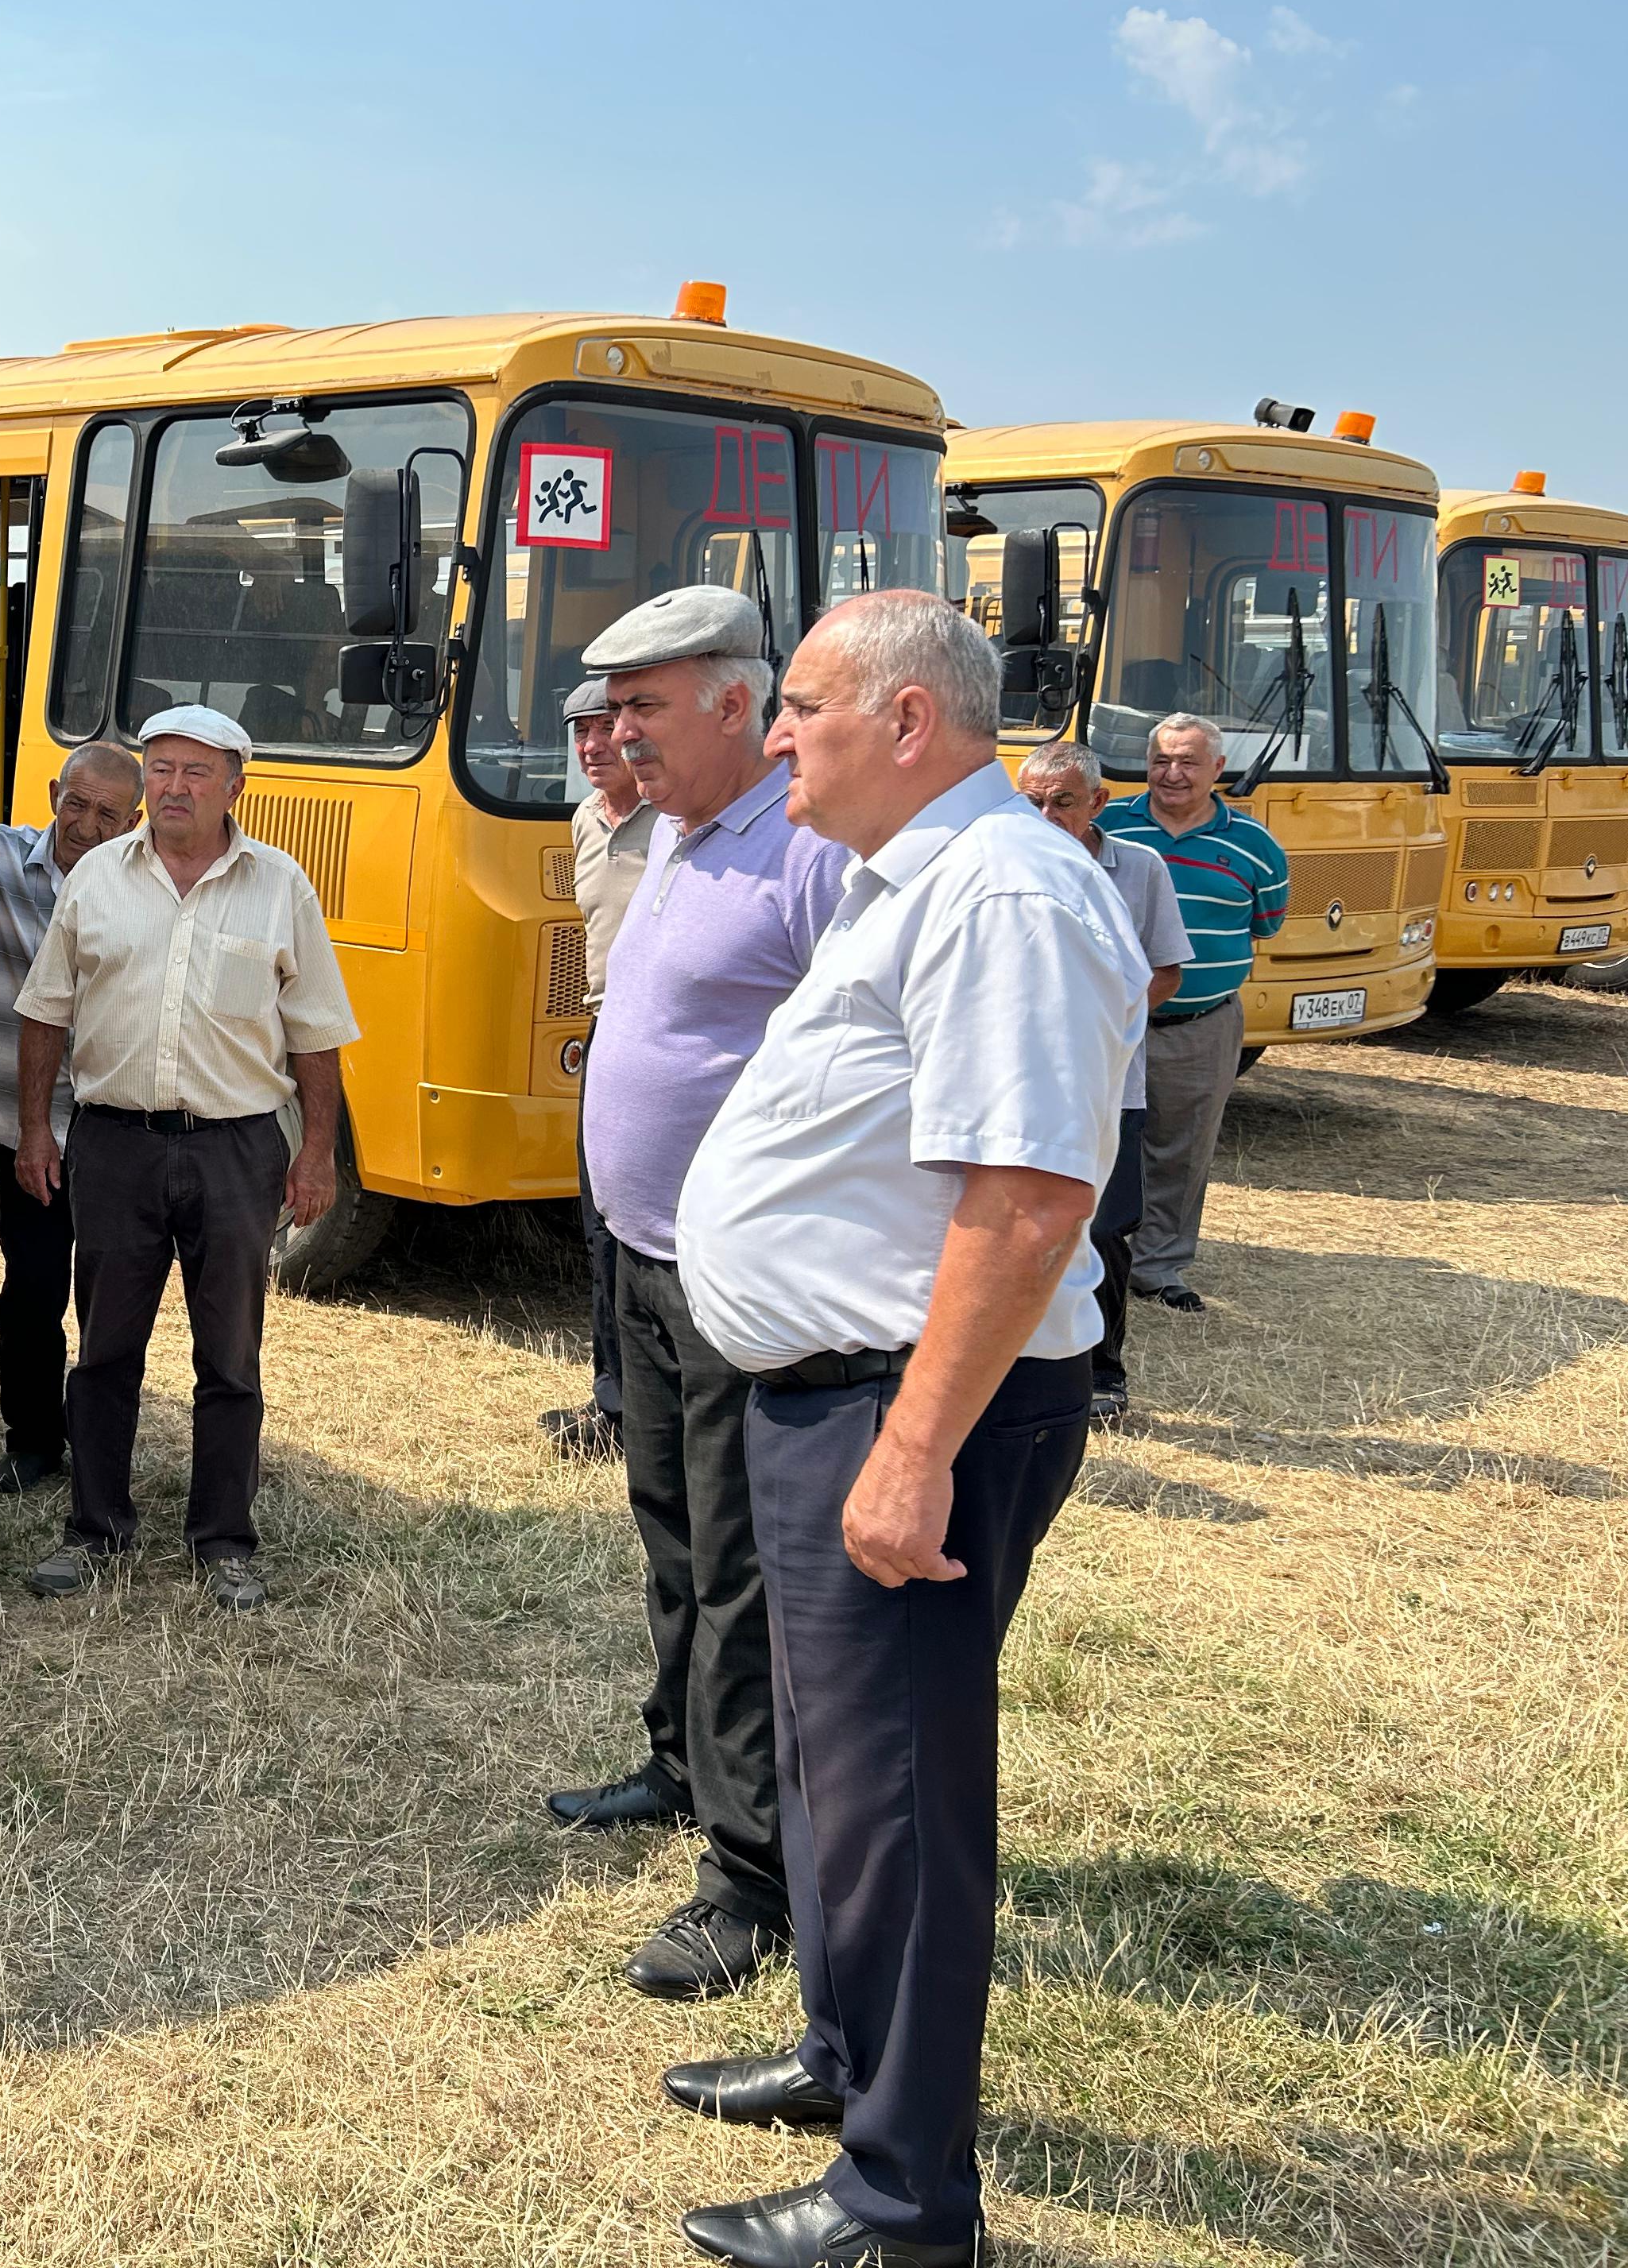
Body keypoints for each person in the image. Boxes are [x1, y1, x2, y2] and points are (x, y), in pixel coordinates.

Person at [667, 590, 1145, 2268]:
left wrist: (916, 1448)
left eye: (800, 705)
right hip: (843, 1398)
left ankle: (903, 2209)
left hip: (913, 1409)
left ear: (909, 723)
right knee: (833, 1774)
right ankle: (844, 2060)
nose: (775, 733)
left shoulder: (1006, 893)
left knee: (903, 1808)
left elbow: (1025, 1205)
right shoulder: (917, 884)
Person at [540, 583, 845, 2009]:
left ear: (737, 702)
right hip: (648, 1255)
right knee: (672, 1537)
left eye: (643, 706)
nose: (616, 734)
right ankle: (683, 1764)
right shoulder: (667, 829)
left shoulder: (807, 849)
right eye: (609, 709)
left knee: (740, 1575)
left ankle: (753, 1877)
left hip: (744, 1275)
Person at [10, 704, 358, 1612]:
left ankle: (223, 1542)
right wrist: (38, 1131)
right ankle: (94, 1531)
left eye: (195, 772)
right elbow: (45, 1009)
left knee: (230, 1358)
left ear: (237, 786)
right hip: (115, 1144)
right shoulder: (97, 881)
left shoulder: (280, 885)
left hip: (236, 1151)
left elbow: (317, 1033)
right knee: (105, 1351)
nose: (173, 786)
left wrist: (316, 1153)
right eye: (160, 768)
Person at [0, 742, 147, 1494]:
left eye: (106, 814)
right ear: (53, 791)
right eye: (73, 803)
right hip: (32, 1130)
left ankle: (102, 1447)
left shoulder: (154, 884)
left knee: (112, 1305)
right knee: (31, 1295)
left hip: (123, 1133)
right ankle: (32, 1442)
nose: (83, 824)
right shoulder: (0, 859)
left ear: (133, 819)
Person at [1017, 739, 1191, 1422]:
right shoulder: (999, 863)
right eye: (1030, 801)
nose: (1045, 814)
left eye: (1061, 801)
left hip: (1110, 1087)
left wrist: (1095, 1026)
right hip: (1025, 1085)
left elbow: (1167, 971)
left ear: (1097, 804)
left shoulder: (1140, 869)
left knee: (1106, 1231)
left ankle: (1103, 1375)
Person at [1096, 713, 1287, 1314]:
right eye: (1161, 760)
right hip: (1107, 1025)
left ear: (1217, 770)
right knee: (1100, 1142)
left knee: (1183, 1149)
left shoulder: (1254, 846)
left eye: (1187, 762)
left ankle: (1158, 1268)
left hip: (1200, 1025)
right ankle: (1094, 1258)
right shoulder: (1106, 826)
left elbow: (1266, 923)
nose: (1172, 774)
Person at [544, 675, 656, 1456]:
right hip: (606, 1027)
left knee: (653, 1235)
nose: (590, 747)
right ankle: (612, 1404)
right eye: (578, 732)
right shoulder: (586, 818)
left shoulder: (676, 820)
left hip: (665, 1039)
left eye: (602, 729)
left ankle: (650, 1410)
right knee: (601, 1229)